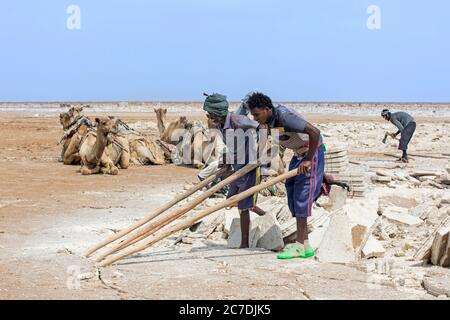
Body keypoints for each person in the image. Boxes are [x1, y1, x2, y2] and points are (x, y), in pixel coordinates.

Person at [246, 92, 324, 259]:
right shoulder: (267, 123)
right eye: (253, 115)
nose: (255, 118)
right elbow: (264, 145)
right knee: (291, 191)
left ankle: (299, 245)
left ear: (267, 109)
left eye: (257, 114)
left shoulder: (284, 117)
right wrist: (252, 163)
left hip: (312, 152)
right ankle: (306, 245)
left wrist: (309, 160)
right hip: (298, 154)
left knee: (302, 195)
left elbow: (315, 132)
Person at [203, 93, 265, 248]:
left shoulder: (238, 120)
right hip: (237, 168)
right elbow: (231, 146)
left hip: (250, 168)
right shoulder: (219, 125)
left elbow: (262, 127)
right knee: (233, 200)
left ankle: (244, 244)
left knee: (243, 206)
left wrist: (259, 152)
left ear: (217, 114)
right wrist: (226, 162)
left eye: (210, 115)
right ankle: (265, 216)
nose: (209, 118)